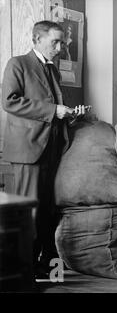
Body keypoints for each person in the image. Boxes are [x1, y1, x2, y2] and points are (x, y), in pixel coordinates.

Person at [1, 20, 88, 279]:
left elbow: (54, 112)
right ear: (36, 39)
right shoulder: (18, 64)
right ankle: (22, 276)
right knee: (29, 213)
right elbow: (9, 101)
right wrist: (53, 110)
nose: (60, 48)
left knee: (48, 212)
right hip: (28, 151)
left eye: (62, 42)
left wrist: (71, 115)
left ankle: (43, 269)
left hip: (51, 148)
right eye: (55, 42)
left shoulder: (53, 70)